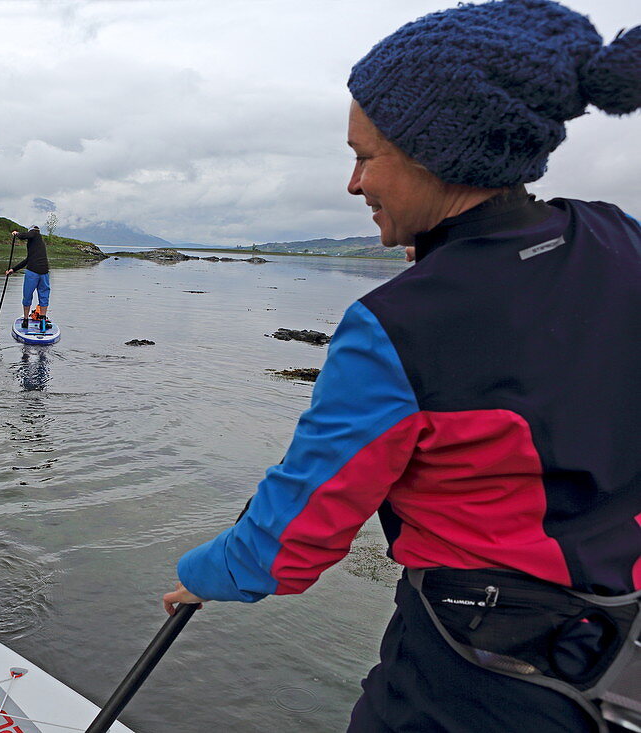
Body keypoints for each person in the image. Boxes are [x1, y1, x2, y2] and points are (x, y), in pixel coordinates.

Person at [162, 1, 641, 731]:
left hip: (469, 687)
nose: (354, 184)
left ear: (435, 154)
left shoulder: (397, 324)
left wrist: (203, 574)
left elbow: (289, 543)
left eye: (364, 156)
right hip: (618, 671)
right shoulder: (621, 240)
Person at [5, 225, 51, 329]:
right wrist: (13, 269)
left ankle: (25, 320)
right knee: (44, 296)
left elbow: (27, 235)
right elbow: (27, 260)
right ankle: (42, 321)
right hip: (44, 272)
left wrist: (17, 234)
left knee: (27, 295)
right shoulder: (39, 243)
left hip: (33, 272)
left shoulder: (34, 233)